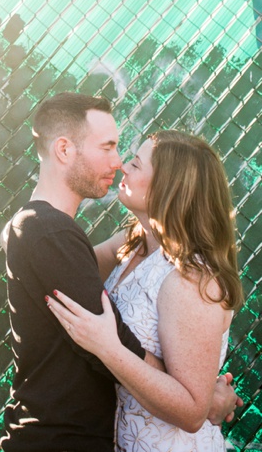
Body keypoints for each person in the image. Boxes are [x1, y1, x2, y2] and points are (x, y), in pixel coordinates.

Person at [47, 131, 243, 450]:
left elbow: (192, 413)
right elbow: (65, 273)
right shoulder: (133, 244)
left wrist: (107, 347)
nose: (124, 166)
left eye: (136, 164)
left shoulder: (193, 281)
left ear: (167, 189)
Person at [0, 92, 150, 451]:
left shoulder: (40, 227)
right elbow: (115, 347)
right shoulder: (48, 232)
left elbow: (88, 266)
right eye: (107, 147)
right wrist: (197, 399)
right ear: (64, 150)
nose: (118, 162)